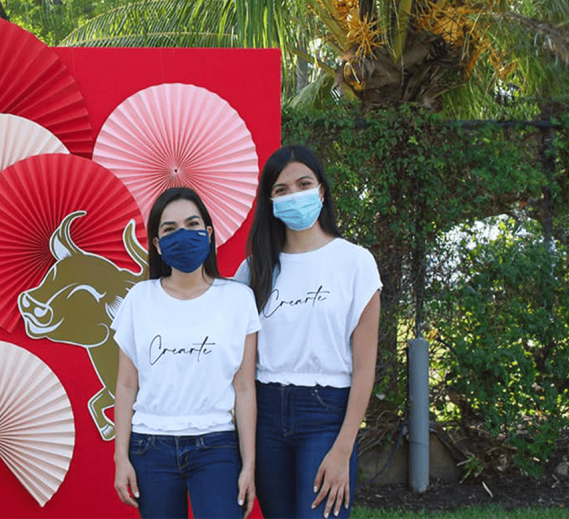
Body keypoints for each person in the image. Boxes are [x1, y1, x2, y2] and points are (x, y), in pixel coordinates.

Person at [234, 145, 381, 519]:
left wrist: (343, 448)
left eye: (303, 184)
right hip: (266, 417)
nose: (293, 194)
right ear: (269, 201)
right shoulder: (253, 271)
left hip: (326, 416)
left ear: (322, 190)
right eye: (281, 189)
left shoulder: (355, 262)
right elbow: (240, 367)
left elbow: (364, 367)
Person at [112, 187, 259, 519]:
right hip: (150, 447)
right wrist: (121, 457)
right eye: (169, 229)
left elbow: (244, 387)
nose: (183, 235)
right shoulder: (139, 299)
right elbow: (125, 385)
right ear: (157, 244)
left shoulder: (238, 299)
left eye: (192, 224)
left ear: (208, 233)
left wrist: (249, 464)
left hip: (217, 446)